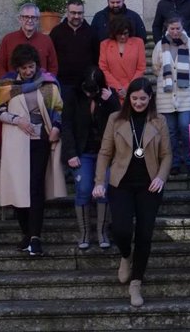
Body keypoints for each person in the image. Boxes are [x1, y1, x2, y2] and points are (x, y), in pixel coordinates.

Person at [92, 77, 171, 307]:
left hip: (149, 185)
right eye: (134, 98)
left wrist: (161, 177)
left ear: (150, 99)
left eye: (143, 99)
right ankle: (126, 255)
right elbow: (105, 152)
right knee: (121, 230)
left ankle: (136, 283)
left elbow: (167, 154)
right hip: (121, 184)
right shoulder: (115, 119)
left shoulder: (159, 121)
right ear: (128, 98)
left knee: (145, 235)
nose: (138, 102)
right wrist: (99, 181)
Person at [0, 44, 66, 256]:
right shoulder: (7, 85)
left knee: (35, 186)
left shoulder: (49, 84)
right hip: (17, 141)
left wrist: (56, 127)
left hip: (40, 140)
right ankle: (26, 232)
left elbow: (59, 109)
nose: (28, 71)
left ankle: (35, 237)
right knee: (19, 186)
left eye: (31, 66)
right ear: (17, 67)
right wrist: (17, 120)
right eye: (24, 68)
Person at [61, 66, 120, 250]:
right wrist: (70, 153)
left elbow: (121, 121)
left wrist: (111, 101)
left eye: (92, 91)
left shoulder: (109, 97)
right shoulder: (73, 96)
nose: (89, 94)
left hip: (106, 152)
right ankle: (85, 233)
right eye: (87, 90)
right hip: (82, 151)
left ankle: (102, 232)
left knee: (103, 189)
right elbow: (67, 124)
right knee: (84, 188)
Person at [151, 17, 190, 177]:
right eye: (172, 29)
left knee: (185, 128)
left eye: (178, 28)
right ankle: (173, 162)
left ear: (182, 27)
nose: (175, 32)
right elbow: (155, 67)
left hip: (186, 95)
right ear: (167, 28)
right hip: (165, 97)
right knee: (170, 131)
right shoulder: (160, 45)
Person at [49, 0, 100, 99]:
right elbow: (51, 57)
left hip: (85, 85)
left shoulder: (92, 32)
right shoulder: (56, 32)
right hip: (63, 84)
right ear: (67, 13)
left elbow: (97, 58)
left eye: (80, 13)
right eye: (73, 13)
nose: (76, 16)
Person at [0, 3, 58, 78]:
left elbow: (53, 66)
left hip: (41, 85)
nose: (30, 20)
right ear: (20, 19)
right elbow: (0, 65)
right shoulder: (8, 39)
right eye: (26, 17)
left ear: (37, 20)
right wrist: (7, 83)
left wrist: (48, 82)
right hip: (14, 85)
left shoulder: (46, 40)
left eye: (33, 17)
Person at [99, 16, 146, 103]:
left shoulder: (138, 42)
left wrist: (128, 87)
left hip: (134, 91)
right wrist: (119, 88)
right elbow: (103, 68)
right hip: (113, 92)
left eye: (126, 33)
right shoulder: (105, 44)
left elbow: (141, 68)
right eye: (120, 34)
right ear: (114, 33)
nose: (123, 36)